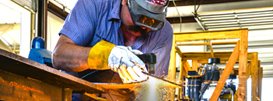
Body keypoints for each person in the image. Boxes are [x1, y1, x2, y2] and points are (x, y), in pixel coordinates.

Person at [52, 0, 173, 100]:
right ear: (125, 1)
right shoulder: (95, 4)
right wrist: (105, 56)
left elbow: (154, 89)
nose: (144, 26)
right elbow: (59, 56)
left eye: (152, 22)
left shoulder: (164, 33)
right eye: (140, 17)